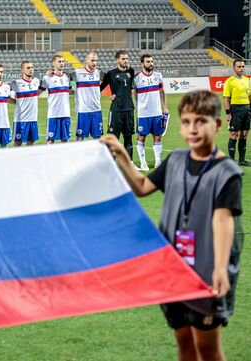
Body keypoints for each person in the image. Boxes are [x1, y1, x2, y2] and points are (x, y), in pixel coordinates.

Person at [102, 90, 243, 361]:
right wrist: (121, 154)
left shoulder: (227, 172)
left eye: (201, 121)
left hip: (206, 270)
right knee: (184, 344)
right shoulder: (176, 160)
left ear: (217, 124)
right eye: (187, 122)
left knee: (208, 349)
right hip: (173, 269)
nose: (193, 129)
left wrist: (220, 269)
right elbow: (143, 187)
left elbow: (223, 219)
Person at [101, 50, 136, 165]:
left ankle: (129, 164)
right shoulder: (110, 73)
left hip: (129, 109)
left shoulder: (131, 72)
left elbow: (131, 86)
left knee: (128, 138)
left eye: (127, 59)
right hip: (116, 110)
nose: (125, 61)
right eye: (123, 59)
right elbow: (99, 88)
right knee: (113, 139)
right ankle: (111, 164)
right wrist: (109, 95)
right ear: (117, 60)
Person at [134, 54, 168, 171]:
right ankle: (143, 163)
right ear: (142, 64)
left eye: (152, 61)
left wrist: (165, 107)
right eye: (148, 62)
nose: (151, 64)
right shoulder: (137, 77)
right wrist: (137, 107)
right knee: (141, 137)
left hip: (157, 113)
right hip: (143, 114)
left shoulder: (158, 76)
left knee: (157, 137)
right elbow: (134, 94)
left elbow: (162, 91)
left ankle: (158, 162)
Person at [223, 59, 251, 166]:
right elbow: (226, 99)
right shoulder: (229, 81)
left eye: (243, 66)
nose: (241, 69)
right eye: (239, 67)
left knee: (244, 135)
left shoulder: (247, 80)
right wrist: (228, 113)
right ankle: (231, 161)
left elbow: (249, 96)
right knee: (234, 134)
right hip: (235, 110)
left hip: (246, 109)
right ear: (234, 68)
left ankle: (242, 160)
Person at [39, 54, 72, 144]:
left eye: (63, 61)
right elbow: (38, 92)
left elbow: (69, 91)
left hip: (65, 113)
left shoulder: (67, 77)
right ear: (54, 63)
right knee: (50, 140)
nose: (62, 63)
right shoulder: (48, 77)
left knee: (65, 139)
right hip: (53, 114)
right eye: (59, 61)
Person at [72, 51, 103, 140]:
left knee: (97, 138)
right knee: (80, 137)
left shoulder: (99, 73)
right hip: (83, 110)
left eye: (96, 61)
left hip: (96, 109)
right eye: (92, 60)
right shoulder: (77, 73)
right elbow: (63, 77)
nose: (94, 63)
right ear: (86, 60)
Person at [10, 60, 41, 146]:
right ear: (22, 70)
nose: (31, 69)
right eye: (28, 68)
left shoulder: (36, 81)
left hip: (33, 119)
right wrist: (17, 102)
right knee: (18, 143)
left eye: (32, 67)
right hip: (20, 120)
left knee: (31, 143)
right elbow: (3, 93)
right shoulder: (15, 83)